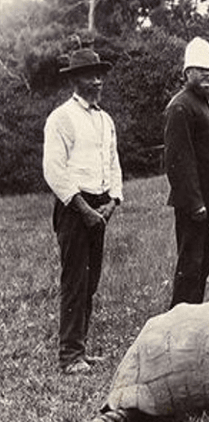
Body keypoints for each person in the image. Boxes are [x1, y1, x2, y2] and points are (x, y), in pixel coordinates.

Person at [43, 47, 123, 374]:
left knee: (90, 282)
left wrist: (113, 201)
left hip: (100, 207)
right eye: (91, 74)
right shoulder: (61, 118)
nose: (98, 80)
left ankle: (81, 349)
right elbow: (54, 170)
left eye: (101, 74)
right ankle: (69, 355)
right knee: (75, 281)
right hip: (74, 208)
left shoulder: (105, 120)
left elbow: (113, 162)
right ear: (75, 80)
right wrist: (83, 209)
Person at [163, 37, 209, 309]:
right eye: (200, 70)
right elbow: (177, 162)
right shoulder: (181, 106)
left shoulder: (204, 103)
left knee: (202, 268)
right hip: (197, 206)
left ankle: (192, 319)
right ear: (187, 74)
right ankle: (178, 324)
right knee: (190, 269)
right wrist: (195, 204)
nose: (208, 75)